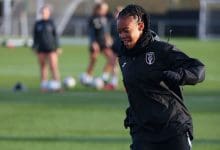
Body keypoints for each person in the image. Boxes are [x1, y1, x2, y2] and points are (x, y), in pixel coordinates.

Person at [117, 5, 205, 150]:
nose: (122, 36)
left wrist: (180, 76)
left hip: (172, 128)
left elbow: (198, 69)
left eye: (126, 30)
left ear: (140, 26)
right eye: (119, 32)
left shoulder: (161, 50)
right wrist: (133, 111)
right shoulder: (123, 56)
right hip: (143, 132)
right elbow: (137, 87)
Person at [81, 2, 114, 86]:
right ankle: (87, 77)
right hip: (96, 42)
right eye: (103, 9)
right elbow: (91, 32)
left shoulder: (105, 18)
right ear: (98, 9)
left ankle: (104, 77)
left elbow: (106, 30)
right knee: (93, 61)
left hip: (104, 43)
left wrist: (108, 38)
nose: (105, 10)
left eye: (106, 9)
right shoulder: (93, 18)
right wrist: (93, 42)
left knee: (112, 58)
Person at [32, 4, 61, 91]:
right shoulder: (38, 24)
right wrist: (34, 47)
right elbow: (35, 37)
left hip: (51, 47)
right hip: (41, 48)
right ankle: (44, 86)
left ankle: (57, 85)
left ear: (49, 13)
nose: (44, 13)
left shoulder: (51, 23)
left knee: (53, 66)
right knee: (43, 66)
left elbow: (55, 35)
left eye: (46, 11)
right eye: (43, 12)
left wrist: (58, 47)